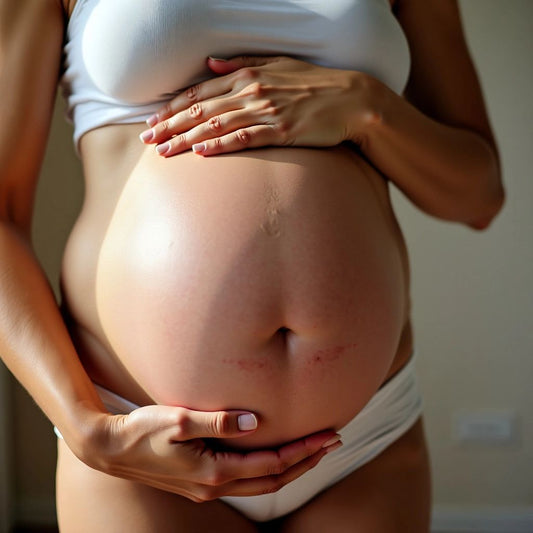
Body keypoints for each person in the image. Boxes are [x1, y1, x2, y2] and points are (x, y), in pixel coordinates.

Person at [0, 0, 503, 531]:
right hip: (141, 437)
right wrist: (85, 428)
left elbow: (479, 196)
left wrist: (367, 109)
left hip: (362, 439)